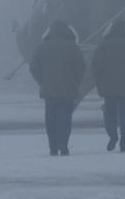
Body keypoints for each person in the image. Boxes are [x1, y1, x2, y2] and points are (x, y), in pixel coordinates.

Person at [29, 20, 84, 156]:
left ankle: (53, 147)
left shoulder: (42, 47)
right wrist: (75, 81)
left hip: (49, 90)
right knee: (65, 119)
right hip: (68, 89)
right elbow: (81, 67)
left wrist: (42, 80)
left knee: (51, 119)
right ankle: (63, 145)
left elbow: (33, 67)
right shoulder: (73, 47)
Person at [91, 20, 125, 152]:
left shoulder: (103, 46)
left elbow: (95, 67)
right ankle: (124, 142)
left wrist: (98, 82)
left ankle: (112, 136)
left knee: (110, 114)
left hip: (108, 87)